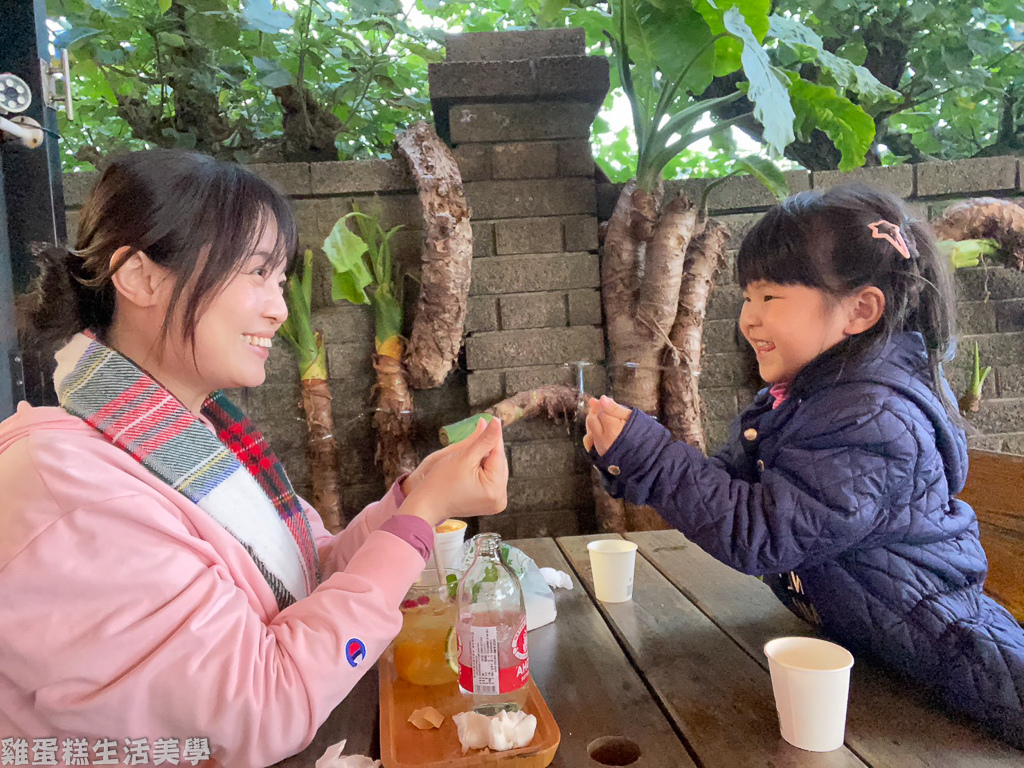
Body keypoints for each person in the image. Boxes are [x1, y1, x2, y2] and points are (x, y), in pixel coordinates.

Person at [0, 149, 509, 766]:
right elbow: (262, 707)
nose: (279, 308)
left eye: (279, 278)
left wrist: (411, 497)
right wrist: (419, 518)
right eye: (256, 274)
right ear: (139, 278)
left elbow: (314, 572)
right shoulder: (71, 490)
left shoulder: (191, 439)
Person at [583, 184, 1024, 748]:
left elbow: (761, 532)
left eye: (770, 298)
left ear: (860, 310)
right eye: (747, 297)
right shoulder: (797, 398)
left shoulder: (874, 419)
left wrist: (653, 457)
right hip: (862, 648)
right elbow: (723, 489)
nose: (747, 319)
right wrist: (627, 460)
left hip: (945, 660)